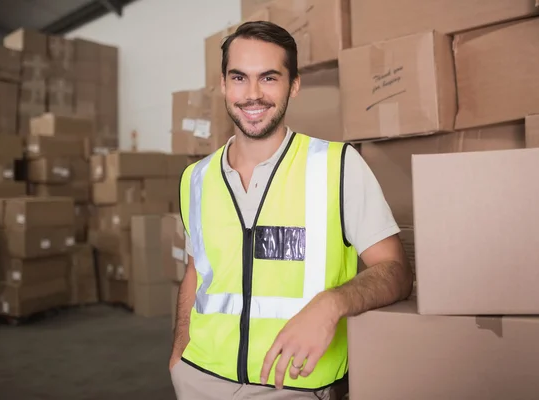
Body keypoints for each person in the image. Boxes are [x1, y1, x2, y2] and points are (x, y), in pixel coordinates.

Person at [169, 21, 413, 400]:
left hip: (295, 385)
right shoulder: (195, 178)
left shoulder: (338, 166)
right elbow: (195, 273)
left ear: (293, 85)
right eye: (239, 78)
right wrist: (179, 354)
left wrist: (332, 304)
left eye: (268, 78)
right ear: (223, 84)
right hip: (199, 380)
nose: (252, 94)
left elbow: (396, 272)